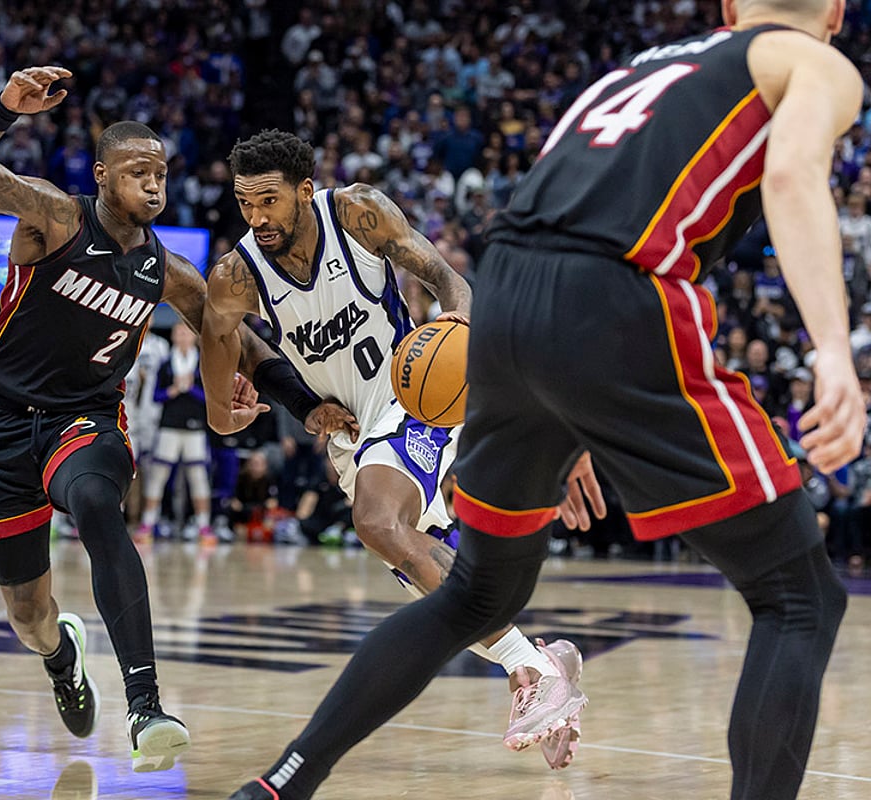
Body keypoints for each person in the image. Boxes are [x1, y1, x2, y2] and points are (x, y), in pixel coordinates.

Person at [226, 3, 862, 799]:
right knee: (798, 597)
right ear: (836, 12)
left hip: (507, 297)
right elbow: (794, 173)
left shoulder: (644, 67)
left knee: (476, 594)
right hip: (613, 294)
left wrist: (566, 407)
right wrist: (833, 351)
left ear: (728, 8)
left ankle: (284, 780)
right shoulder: (811, 60)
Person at [0, 66, 316, 773]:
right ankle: (61, 659)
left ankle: (146, 705)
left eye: (163, 174)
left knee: (99, 506)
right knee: (28, 617)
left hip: (85, 421)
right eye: (139, 171)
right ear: (105, 174)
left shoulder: (167, 271)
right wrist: (3, 109)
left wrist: (307, 405)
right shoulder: (53, 216)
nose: (154, 185)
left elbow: (235, 337)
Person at [202, 129, 597, 771]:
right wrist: (261, 406)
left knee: (378, 523)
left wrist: (458, 341)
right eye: (245, 203)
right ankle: (542, 658)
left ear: (305, 190)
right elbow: (224, 348)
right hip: (350, 435)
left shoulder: (358, 212)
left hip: (412, 391)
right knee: (426, 569)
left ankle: (532, 672)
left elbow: (448, 279)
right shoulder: (236, 275)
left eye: (268, 200)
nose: (257, 217)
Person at [137, 322, 214, 542]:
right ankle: (147, 523)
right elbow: (155, 396)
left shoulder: (202, 364)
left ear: (194, 337)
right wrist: (172, 391)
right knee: (158, 476)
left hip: (194, 428)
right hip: (169, 426)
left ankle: (203, 526)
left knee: (198, 477)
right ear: (173, 336)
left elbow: (209, 398)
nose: (182, 336)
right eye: (178, 332)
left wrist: (190, 389)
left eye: (186, 332)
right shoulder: (165, 364)